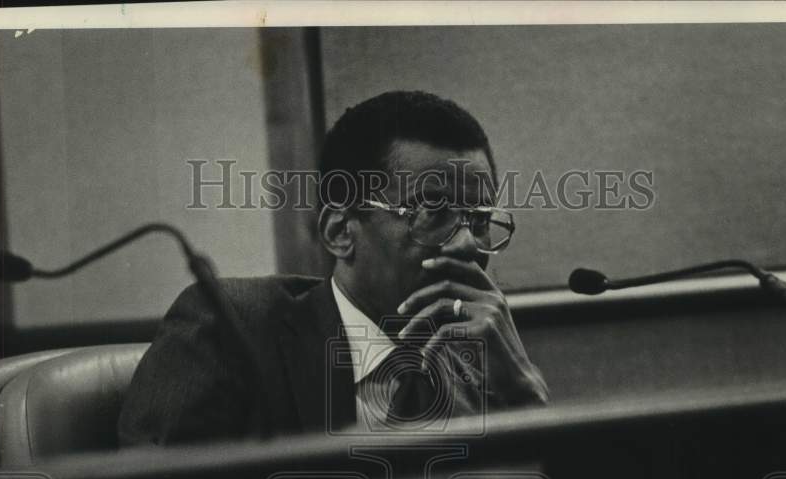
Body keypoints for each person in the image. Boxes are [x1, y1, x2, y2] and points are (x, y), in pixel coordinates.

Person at [118, 90, 548, 446]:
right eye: (433, 211)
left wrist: (524, 388)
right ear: (340, 231)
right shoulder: (231, 329)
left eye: (477, 220)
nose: (467, 244)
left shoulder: (479, 360)